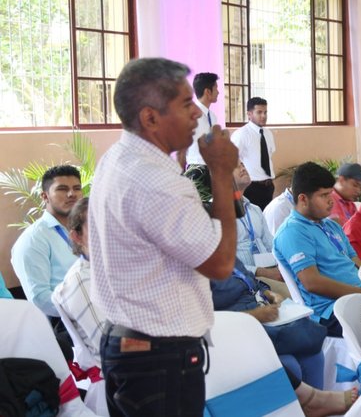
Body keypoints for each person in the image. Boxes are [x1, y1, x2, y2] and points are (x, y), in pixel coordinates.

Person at [91, 58, 238, 416]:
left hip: (133, 348)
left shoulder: (120, 157)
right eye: (186, 104)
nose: (196, 114)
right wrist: (221, 172)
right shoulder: (156, 182)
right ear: (150, 118)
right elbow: (220, 263)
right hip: (157, 357)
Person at [209, 258, 357, 416]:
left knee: (313, 354)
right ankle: (310, 404)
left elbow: (252, 282)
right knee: (290, 364)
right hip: (239, 329)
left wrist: (270, 293)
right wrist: (255, 316)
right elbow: (208, 319)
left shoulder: (225, 254)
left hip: (265, 315)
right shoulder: (196, 271)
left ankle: (315, 409)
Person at [273, 162, 361, 337]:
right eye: (323, 195)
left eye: (330, 193)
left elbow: (357, 265)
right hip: (332, 310)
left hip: (360, 298)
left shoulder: (331, 225)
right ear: (303, 199)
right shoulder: (293, 232)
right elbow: (312, 283)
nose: (331, 200)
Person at [11, 165, 83, 317]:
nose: (72, 194)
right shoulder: (33, 239)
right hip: (66, 323)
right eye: (62, 189)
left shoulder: (86, 229)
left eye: (77, 188)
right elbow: (40, 299)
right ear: (45, 197)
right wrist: (84, 312)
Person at [51, 198, 102, 368]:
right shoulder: (81, 281)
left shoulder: (115, 268)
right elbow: (113, 346)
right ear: (76, 236)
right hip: (121, 380)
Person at [224, 163, 288, 297]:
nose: (243, 167)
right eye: (235, 165)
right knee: (293, 297)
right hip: (245, 280)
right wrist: (262, 272)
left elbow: (271, 245)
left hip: (271, 272)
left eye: (242, 164)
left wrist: (281, 267)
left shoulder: (254, 209)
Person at [231, 96, 275, 210]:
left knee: (265, 221)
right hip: (251, 188)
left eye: (265, 112)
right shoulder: (241, 134)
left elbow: (269, 156)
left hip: (268, 186)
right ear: (249, 114)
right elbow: (231, 160)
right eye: (259, 112)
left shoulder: (268, 133)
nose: (264, 116)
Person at [178, 72, 219, 168]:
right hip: (196, 169)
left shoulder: (212, 116)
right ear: (208, 92)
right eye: (216, 88)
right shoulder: (190, 114)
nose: (218, 92)